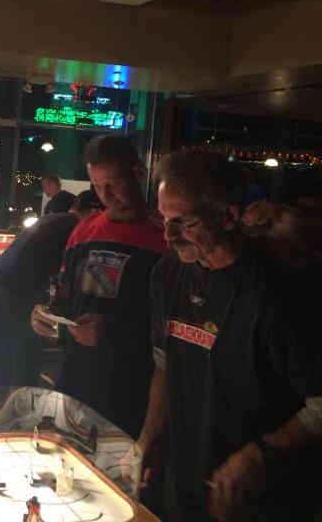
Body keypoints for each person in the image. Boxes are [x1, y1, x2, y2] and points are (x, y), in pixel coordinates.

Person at [137, 151, 322, 522]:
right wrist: (148, 439)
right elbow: (165, 363)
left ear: (229, 217)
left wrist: (259, 454)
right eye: (164, 219)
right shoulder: (167, 274)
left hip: (261, 496)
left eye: (184, 222)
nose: (168, 236)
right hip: (185, 479)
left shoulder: (280, 290)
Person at [54, 136, 167, 438]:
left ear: (138, 173)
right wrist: (45, 315)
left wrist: (113, 331)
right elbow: (64, 298)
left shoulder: (165, 241)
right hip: (76, 379)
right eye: (97, 186)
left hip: (130, 389)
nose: (105, 195)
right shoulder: (84, 231)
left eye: (114, 184)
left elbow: (169, 332)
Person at [0, 190, 102, 387]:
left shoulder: (54, 218)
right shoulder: (75, 226)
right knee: (29, 341)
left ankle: (7, 387)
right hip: (20, 284)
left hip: (2, 276)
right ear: (93, 211)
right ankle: (24, 391)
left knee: (12, 339)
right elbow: (66, 269)